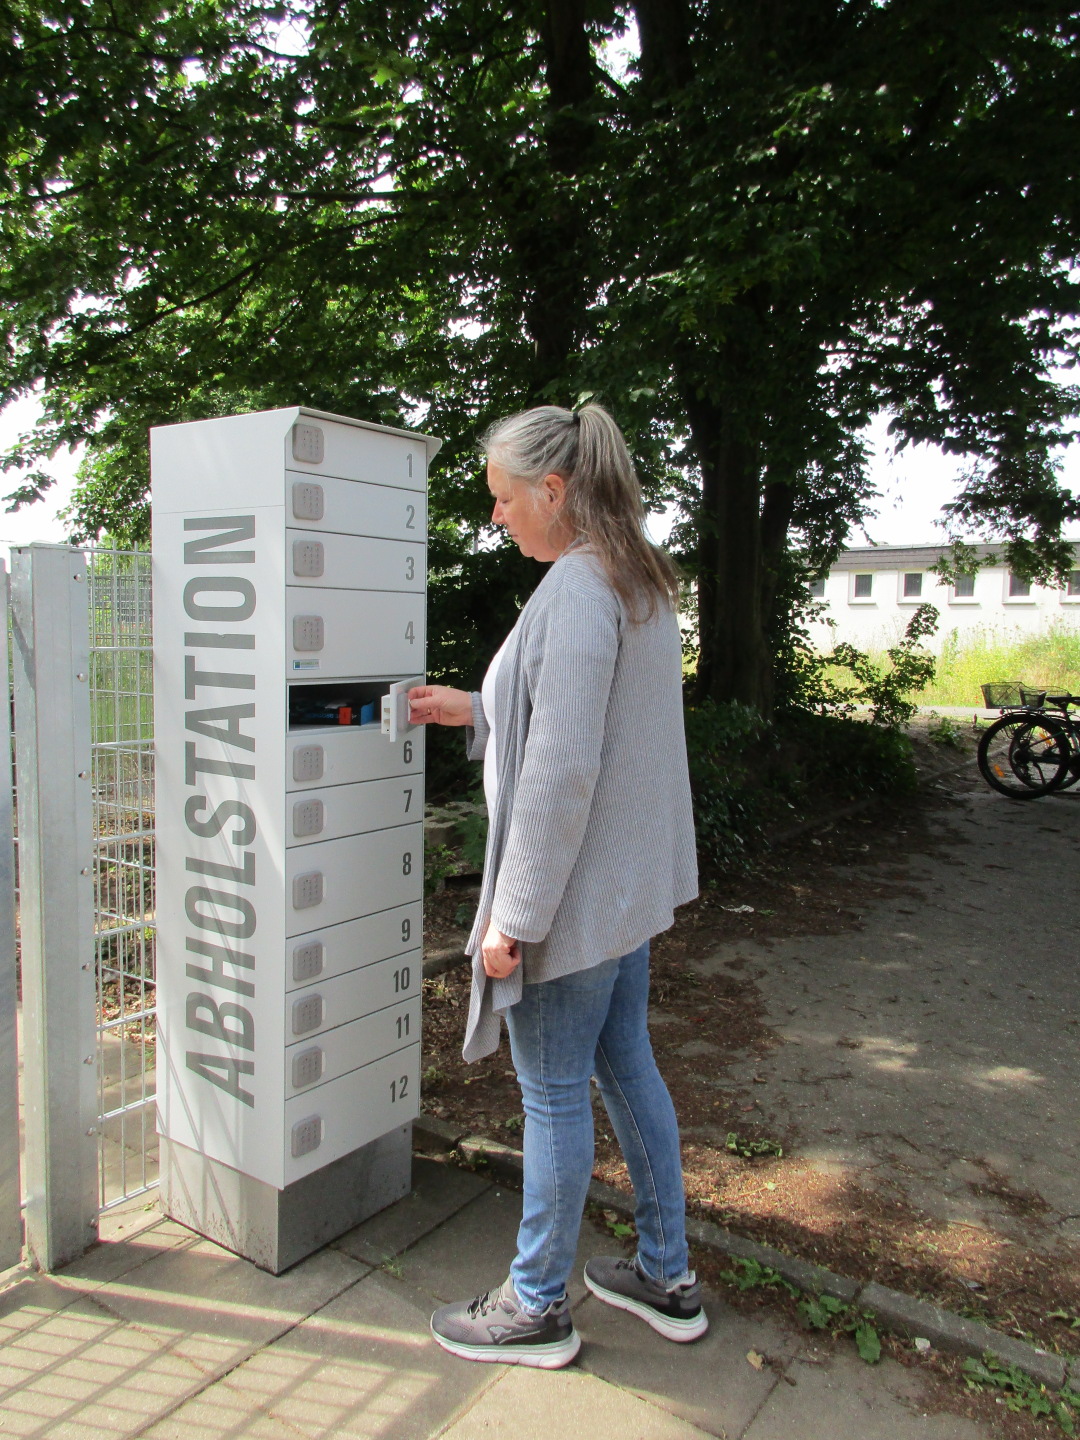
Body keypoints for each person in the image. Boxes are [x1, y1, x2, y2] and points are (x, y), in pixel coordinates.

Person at [408, 404, 703, 1369]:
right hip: (625, 895)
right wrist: (475, 705)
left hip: (571, 905)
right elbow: (586, 721)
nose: (496, 518)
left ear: (553, 490)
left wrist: (513, 917)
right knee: (627, 1067)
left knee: (552, 1096)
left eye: (501, 499)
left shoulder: (577, 589)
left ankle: (537, 1305)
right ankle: (665, 1275)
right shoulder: (636, 576)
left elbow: (566, 766)